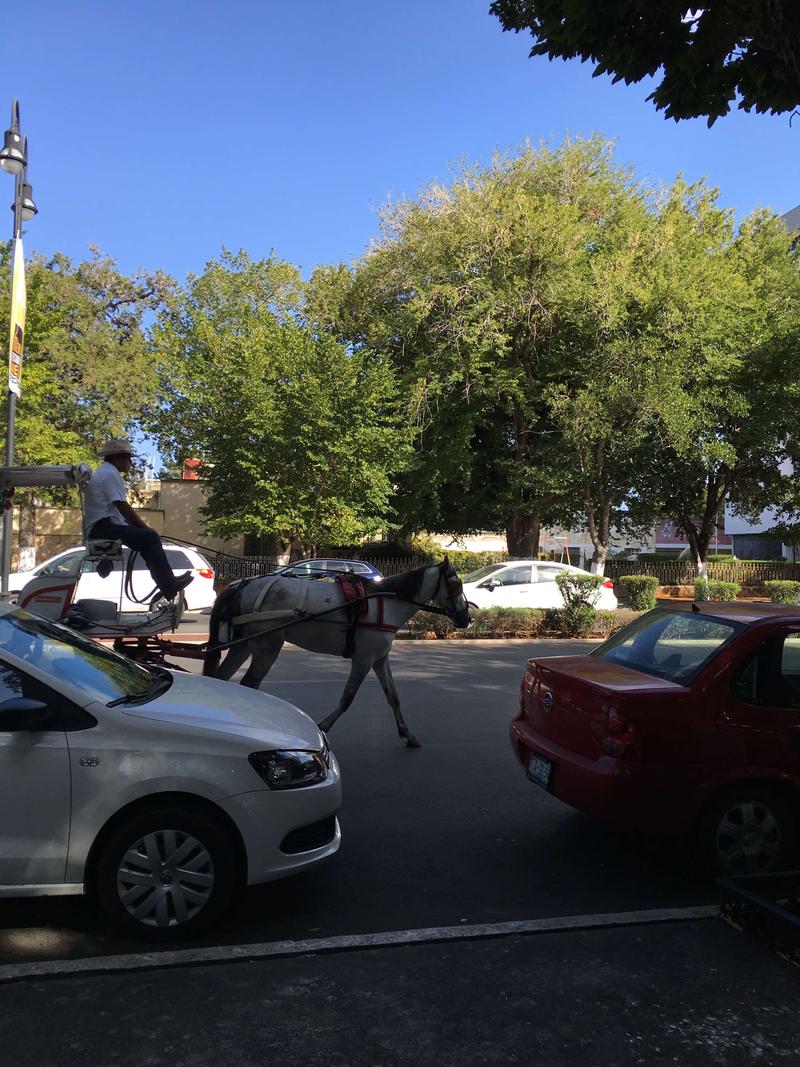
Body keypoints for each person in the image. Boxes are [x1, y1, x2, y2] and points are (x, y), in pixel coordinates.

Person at [83, 437, 193, 601]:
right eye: (127, 458)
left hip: (104, 525)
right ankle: (168, 584)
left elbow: (120, 513)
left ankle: (167, 583)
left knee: (147, 538)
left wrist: (140, 529)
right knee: (149, 537)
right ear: (115, 457)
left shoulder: (106, 472)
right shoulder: (109, 474)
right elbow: (123, 507)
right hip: (102, 527)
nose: (130, 462)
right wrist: (145, 528)